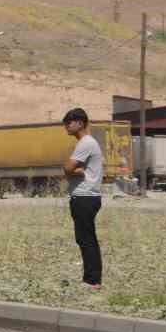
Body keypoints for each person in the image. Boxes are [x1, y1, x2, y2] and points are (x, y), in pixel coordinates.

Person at [62, 107, 104, 288]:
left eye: (68, 123)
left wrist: (74, 170)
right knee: (86, 238)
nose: (66, 127)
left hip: (85, 197)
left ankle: (92, 280)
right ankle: (92, 278)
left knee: (86, 239)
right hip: (87, 196)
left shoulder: (85, 143)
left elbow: (67, 168)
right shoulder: (87, 143)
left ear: (80, 123)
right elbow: (72, 169)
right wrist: (75, 170)